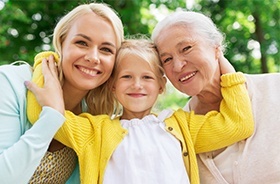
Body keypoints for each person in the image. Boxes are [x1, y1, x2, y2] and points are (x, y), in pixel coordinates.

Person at [26, 37, 254, 184]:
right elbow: (41, 115)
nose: (137, 85)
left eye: (147, 77)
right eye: (127, 77)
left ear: (161, 86)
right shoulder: (95, 132)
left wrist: (225, 68)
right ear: (113, 85)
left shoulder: (183, 126)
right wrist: (46, 61)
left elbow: (238, 125)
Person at [0, 2, 124, 183]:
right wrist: (52, 116)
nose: (93, 57)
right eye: (82, 43)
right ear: (61, 43)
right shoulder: (10, 83)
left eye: (106, 49)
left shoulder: (93, 119)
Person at [151, 10, 280, 184]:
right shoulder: (178, 129)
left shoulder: (275, 89)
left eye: (186, 48)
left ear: (216, 47)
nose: (178, 65)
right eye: (166, 59)